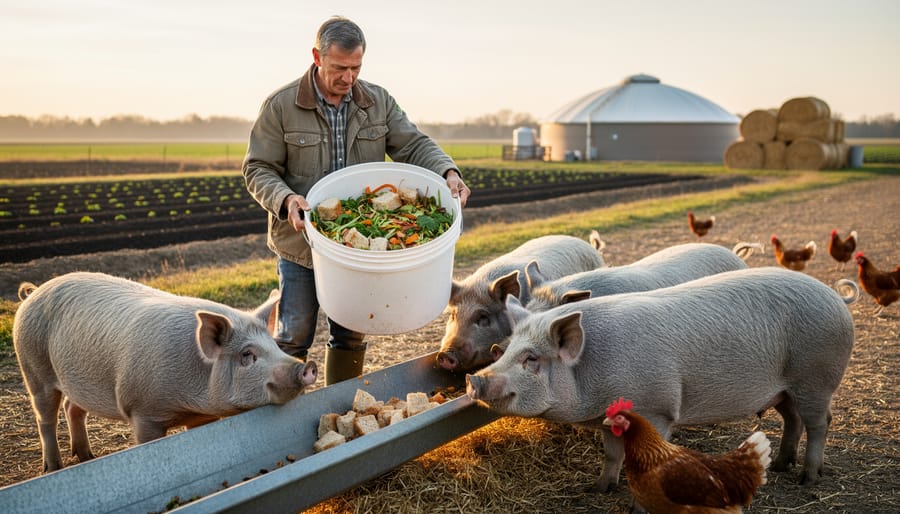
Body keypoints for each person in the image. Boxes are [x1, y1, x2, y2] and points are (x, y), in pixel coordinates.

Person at [242, 16, 470, 386]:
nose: (348, 78)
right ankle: (279, 419)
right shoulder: (281, 106)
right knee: (294, 333)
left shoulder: (377, 102)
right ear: (317, 56)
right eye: (339, 68)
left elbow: (413, 144)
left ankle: (340, 408)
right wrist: (287, 200)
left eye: (356, 68)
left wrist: (448, 173)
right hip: (300, 243)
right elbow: (258, 168)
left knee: (350, 331)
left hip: (358, 249)